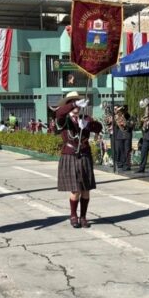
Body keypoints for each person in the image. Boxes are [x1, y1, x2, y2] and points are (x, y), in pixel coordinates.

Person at [55, 91, 102, 228]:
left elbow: (99, 127)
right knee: (75, 190)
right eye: (72, 102)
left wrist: (88, 125)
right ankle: (73, 215)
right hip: (70, 154)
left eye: (77, 103)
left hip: (84, 155)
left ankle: (83, 217)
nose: (76, 106)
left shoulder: (85, 117)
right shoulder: (64, 119)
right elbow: (59, 113)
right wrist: (74, 104)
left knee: (86, 189)